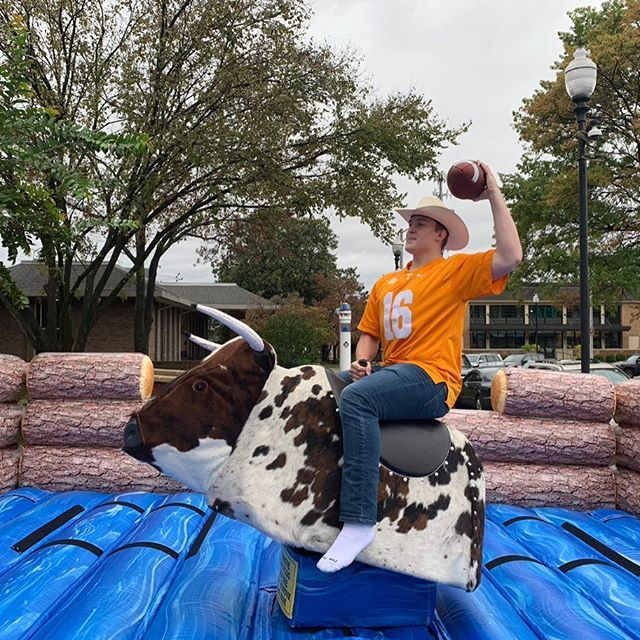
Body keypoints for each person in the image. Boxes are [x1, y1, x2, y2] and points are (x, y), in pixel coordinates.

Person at [316, 161, 522, 573]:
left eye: (422, 223)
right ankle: (318, 497)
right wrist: (361, 360)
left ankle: (359, 522)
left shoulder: (455, 272)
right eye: (411, 222)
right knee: (317, 388)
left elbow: (511, 255)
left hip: (431, 379)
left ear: (440, 235)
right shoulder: (386, 283)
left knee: (356, 401)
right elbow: (369, 334)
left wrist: (493, 193)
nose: (411, 227)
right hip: (391, 374)